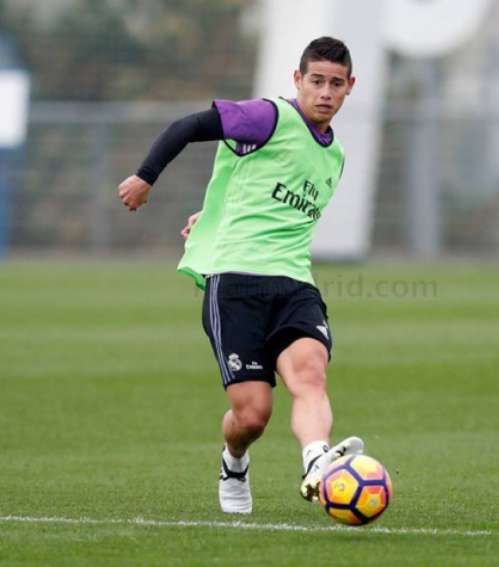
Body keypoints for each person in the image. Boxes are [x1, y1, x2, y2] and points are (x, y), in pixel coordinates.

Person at [117, 36, 363, 514]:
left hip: (294, 283)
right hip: (234, 282)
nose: (325, 92)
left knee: (310, 373)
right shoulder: (269, 117)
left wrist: (210, 214)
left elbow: (260, 197)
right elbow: (188, 126)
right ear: (298, 80)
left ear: (350, 86)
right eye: (316, 81)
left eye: (336, 84)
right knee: (254, 414)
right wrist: (146, 177)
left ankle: (316, 461)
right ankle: (234, 461)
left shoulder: (335, 158)